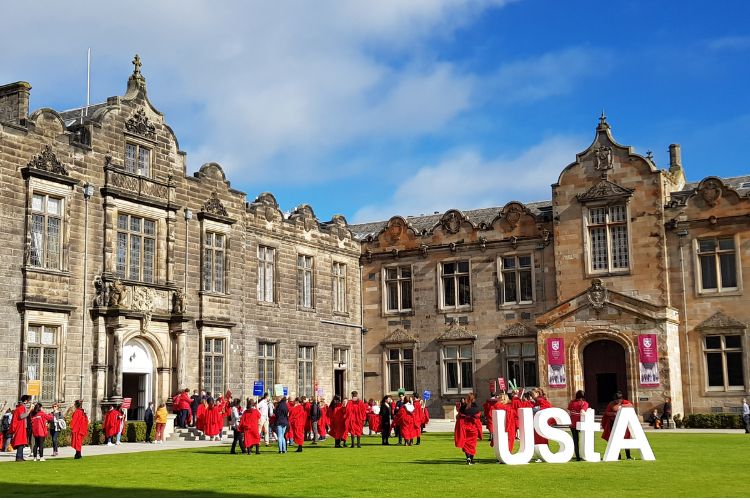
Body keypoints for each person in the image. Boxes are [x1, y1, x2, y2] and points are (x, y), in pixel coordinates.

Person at [602, 391, 633, 460]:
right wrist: (614, 414)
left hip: (623, 424)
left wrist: (621, 406)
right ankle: (618, 455)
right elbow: (607, 413)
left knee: (626, 439)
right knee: (614, 440)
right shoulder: (611, 404)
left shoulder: (624, 402)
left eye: (619, 399)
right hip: (613, 424)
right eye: (617, 400)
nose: (618, 401)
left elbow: (630, 405)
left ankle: (628, 456)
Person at [454, 392, 483, 465]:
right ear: (474, 399)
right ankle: (471, 459)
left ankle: (468, 458)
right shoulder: (476, 408)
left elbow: (458, 417)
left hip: (464, 428)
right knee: (472, 445)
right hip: (473, 429)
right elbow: (478, 419)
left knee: (466, 444)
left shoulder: (463, 407)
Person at [567, 390, 589, 461]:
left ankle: (577, 457)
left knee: (575, 440)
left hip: (572, 423)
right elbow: (582, 412)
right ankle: (585, 454)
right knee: (584, 439)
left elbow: (569, 412)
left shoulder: (572, 402)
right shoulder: (584, 403)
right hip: (581, 423)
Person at [11, 395, 31, 461]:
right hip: (20, 427)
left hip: (21, 426)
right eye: (28, 401)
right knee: (20, 442)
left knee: (22, 442)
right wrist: (29, 410)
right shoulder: (21, 407)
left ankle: (20, 456)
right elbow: (22, 416)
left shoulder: (21, 407)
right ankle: (19, 457)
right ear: (25, 401)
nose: (29, 402)